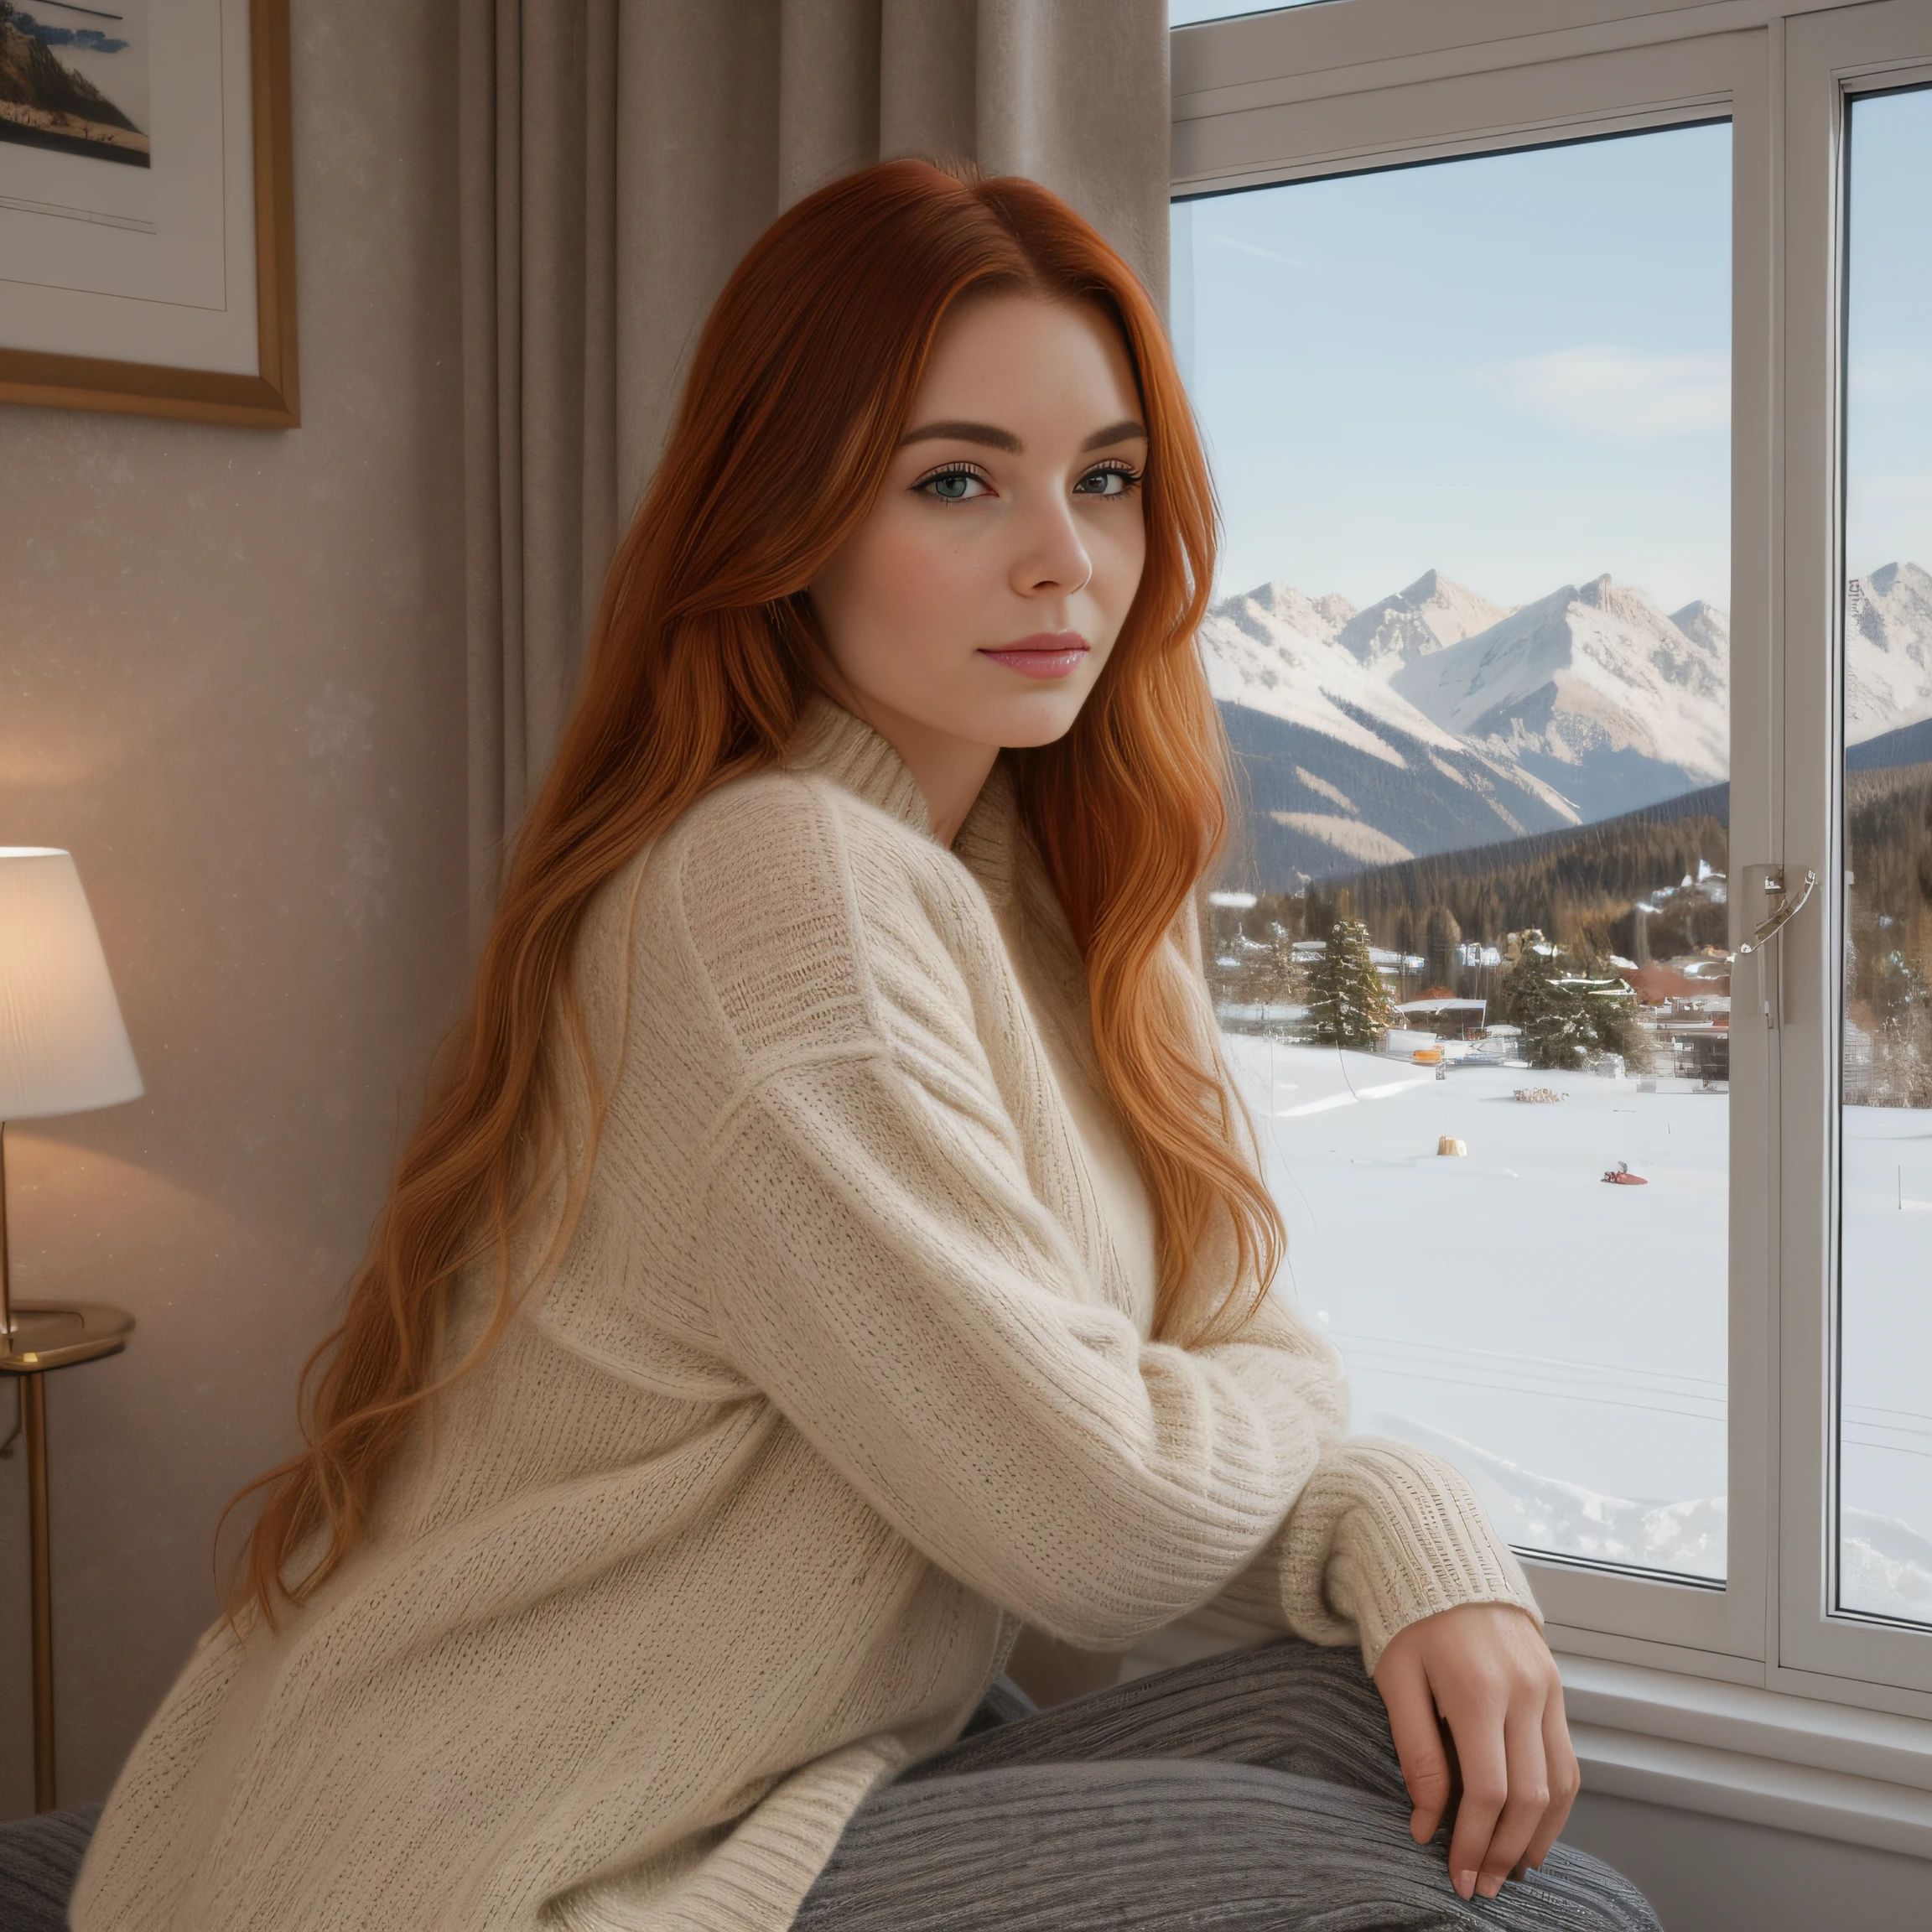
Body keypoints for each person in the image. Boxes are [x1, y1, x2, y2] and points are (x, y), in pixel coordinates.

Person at [53, 160, 1659, 1932]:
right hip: (480, 1864)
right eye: (958, 480)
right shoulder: (773, 893)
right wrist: (1347, 1451)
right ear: (791, 516)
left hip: (763, 1778)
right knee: (1552, 1917)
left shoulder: (1057, 898)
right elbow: (1104, 1520)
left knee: (1364, 1719)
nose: (1066, 555)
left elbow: (1184, 1365)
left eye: (1107, 480)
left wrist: (1400, 1525)